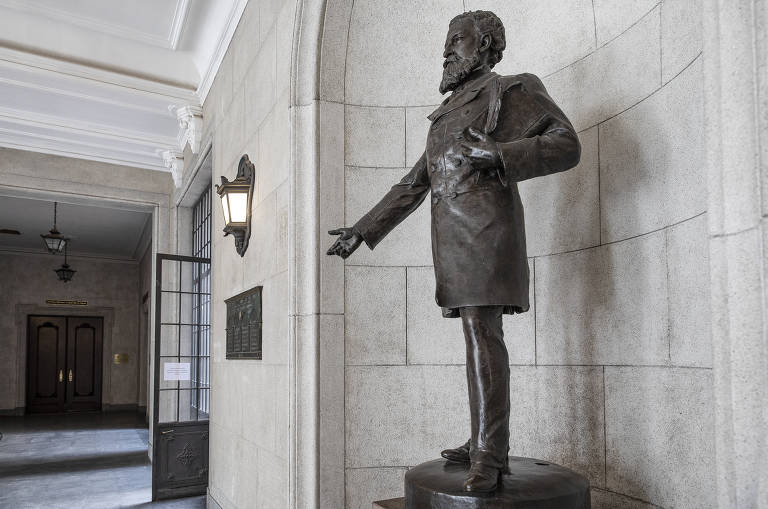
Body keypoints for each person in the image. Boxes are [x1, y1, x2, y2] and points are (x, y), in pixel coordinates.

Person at [327, 10, 580, 492]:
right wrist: (363, 229)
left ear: (484, 45)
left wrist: (503, 154)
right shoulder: (444, 114)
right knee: (474, 336)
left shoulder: (513, 90)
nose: (446, 51)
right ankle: (482, 435)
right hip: (453, 241)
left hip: (489, 232)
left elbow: (566, 144)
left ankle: (490, 451)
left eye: (456, 41)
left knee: (483, 334)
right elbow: (414, 182)